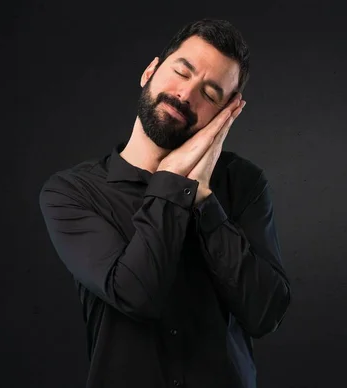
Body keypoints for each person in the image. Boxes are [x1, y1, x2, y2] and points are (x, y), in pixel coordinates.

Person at [38, 19, 291, 388]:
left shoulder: (243, 183)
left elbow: (265, 313)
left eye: (210, 93)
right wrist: (171, 179)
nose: (186, 95)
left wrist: (203, 199)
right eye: (181, 72)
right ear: (150, 71)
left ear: (224, 115)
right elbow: (136, 295)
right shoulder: (71, 192)